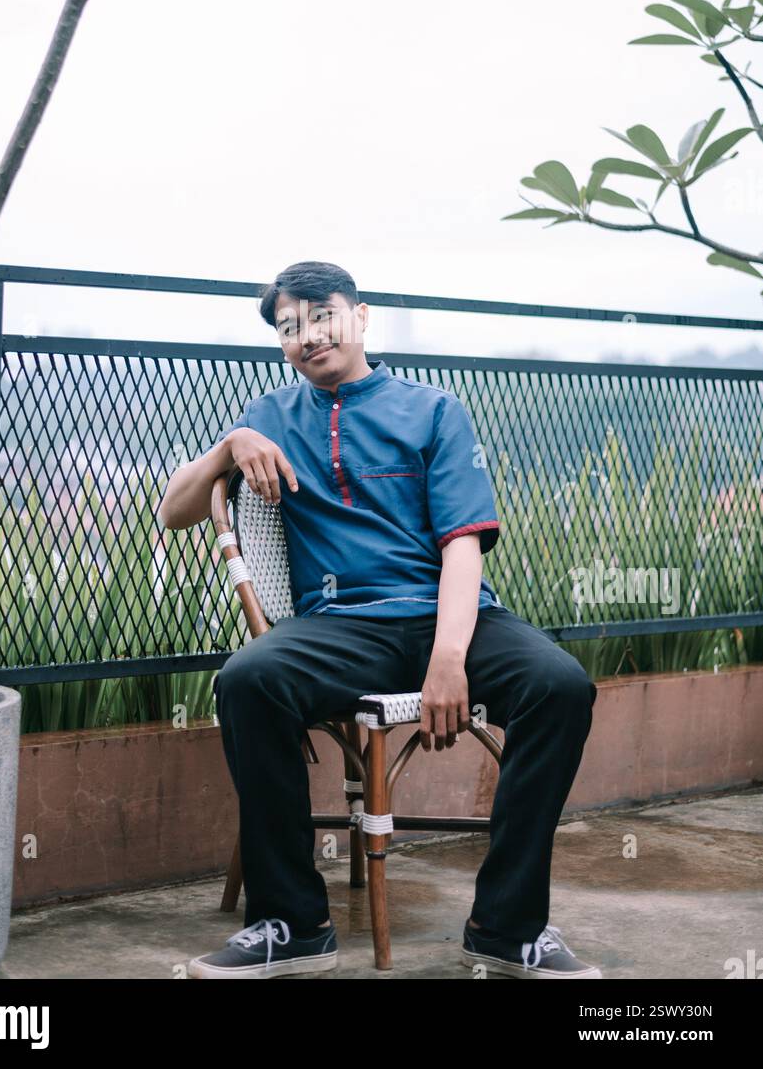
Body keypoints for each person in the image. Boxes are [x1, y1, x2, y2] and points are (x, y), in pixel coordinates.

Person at [158, 260, 601, 980]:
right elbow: (173, 513)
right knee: (247, 679)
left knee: (558, 686)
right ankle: (291, 925)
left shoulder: (433, 411)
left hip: (450, 617)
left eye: (322, 316)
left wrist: (448, 658)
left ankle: (506, 926)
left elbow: (462, 545)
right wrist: (227, 447)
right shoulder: (268, 416)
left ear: (360, 319)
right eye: (288, 327)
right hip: (339, 628)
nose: (307, 336)